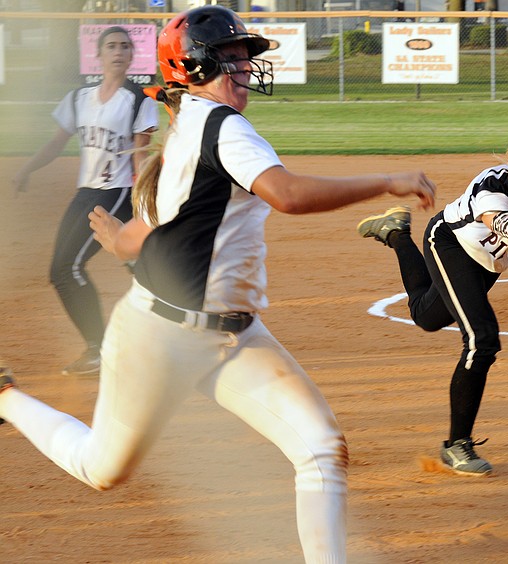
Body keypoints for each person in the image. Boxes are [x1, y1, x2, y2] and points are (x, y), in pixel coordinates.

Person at [0, 6, 435, 563]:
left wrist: (120, 242)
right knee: (102, 470)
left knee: (322, 449)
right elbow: (288, 195)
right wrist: (387, 180)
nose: (245, 69)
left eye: (244, 58)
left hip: (235, 336)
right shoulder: (220, 126)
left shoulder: (187, 132)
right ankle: (7, 397)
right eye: (229, 59)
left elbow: (152, 226)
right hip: (160, 337)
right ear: (193, 68)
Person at [356, 128, 508, 477]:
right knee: (481, 339)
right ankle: (456, 446)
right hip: (451, 244)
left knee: (426, 317)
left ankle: (395, 232)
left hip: (490, 262)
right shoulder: (491, 186)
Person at [11, 26, 159, 376]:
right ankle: (164, 310)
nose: (119, 51)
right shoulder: (79, 98)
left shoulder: (140, 100)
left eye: (125, 46)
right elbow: (56, 144)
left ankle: (100, 350)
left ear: (132, 55)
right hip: (87, 193)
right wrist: (26, 169)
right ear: (98, 54)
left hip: (118, 192)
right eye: (111, 46)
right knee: (127, 265)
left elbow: (141, 158)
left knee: (67, 268)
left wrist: (145, 207)